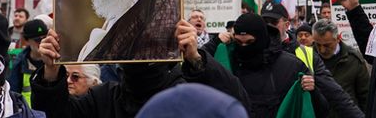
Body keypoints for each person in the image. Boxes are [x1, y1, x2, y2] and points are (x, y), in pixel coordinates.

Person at [29, 19, 248, 118]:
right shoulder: (104, 98)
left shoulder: (184, 93)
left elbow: (237, 104)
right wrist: (50, 72)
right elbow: (53, 115)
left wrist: (196, 58)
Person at [216, 13, 324, 118]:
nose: (244, 47)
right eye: (239, 42)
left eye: (250, 42)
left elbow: (319, 109)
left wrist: (313, 91)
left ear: (262, 39)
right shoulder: (227, 63)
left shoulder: (292, 66)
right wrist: (214, 42)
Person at [312, 19, 368, 118]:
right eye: (317, 44)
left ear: (338, 38)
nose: (322, 50)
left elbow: (365, 96)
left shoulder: (354, 59)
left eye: (327, 45)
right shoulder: (308, 58)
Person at [7, 19, 48, 105]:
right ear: (27, 41)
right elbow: (13, 95)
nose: (42, 42)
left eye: (45, 38)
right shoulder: (18, 64)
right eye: (37, 40)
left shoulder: (55, 61)